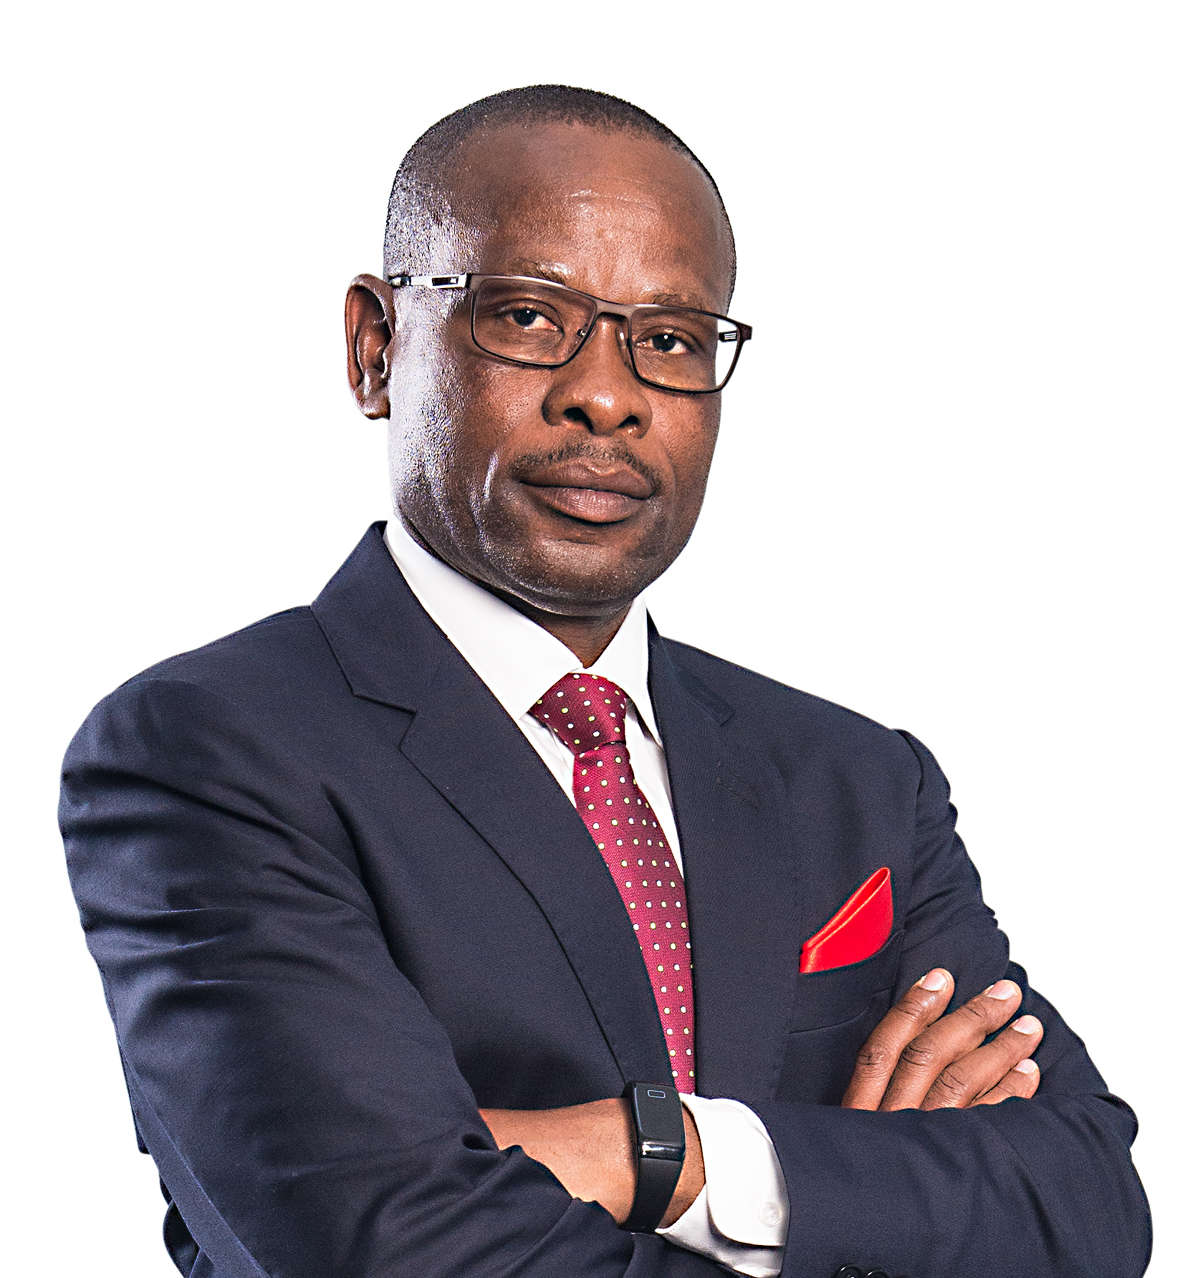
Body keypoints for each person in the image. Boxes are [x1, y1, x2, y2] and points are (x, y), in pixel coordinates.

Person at [59, 84, 1150, 1277]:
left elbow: (1087, 1208)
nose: (609, 395)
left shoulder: (856, 781)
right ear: (377, 349)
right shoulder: (208, 752)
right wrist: (856, 1196)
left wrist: (665, 1154)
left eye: (670, 340)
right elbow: (388, 1250)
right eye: (530, 317)